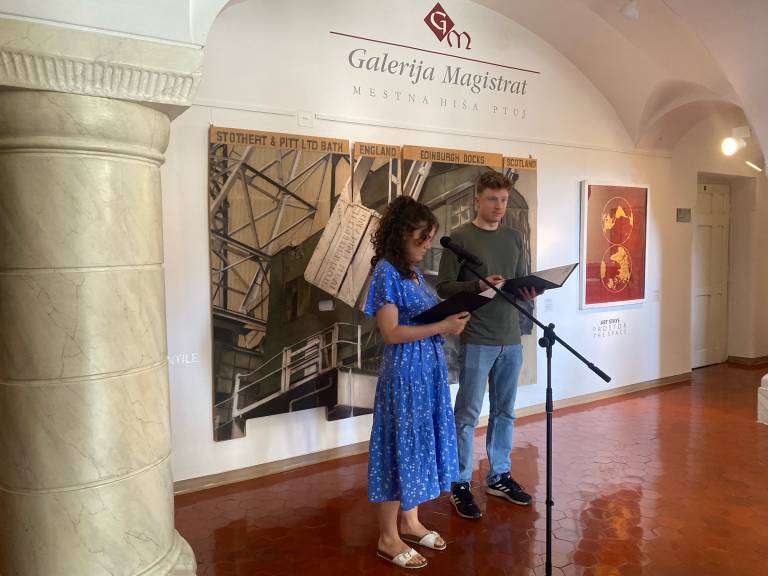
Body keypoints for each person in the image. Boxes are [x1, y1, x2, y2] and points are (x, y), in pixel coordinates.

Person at [365, 196, 471, 569]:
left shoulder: (411, 273)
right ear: (400, 236)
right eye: (420, 239)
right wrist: (443, 325)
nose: (426, 246)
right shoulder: (386, 272)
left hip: (427, 371)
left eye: (428, 239)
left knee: (416, 445)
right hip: (405, 373)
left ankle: (409, 522)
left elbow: (420, 317)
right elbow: (391, 332)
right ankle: (387, 536)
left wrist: (451, 317)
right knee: (399, 448)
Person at [436, 170, 539, 520]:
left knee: (505, 412)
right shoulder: (459, 238)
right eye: (492, 199)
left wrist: (528, 291)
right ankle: (460, 482)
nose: (499, 206)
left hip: (511, 338)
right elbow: (444, 287)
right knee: (467, 415)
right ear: (477, 199)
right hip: (478, 337)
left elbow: (519, 282)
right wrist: (476, 287)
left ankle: (499, 476)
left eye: (504, 200)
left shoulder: (514, 238)